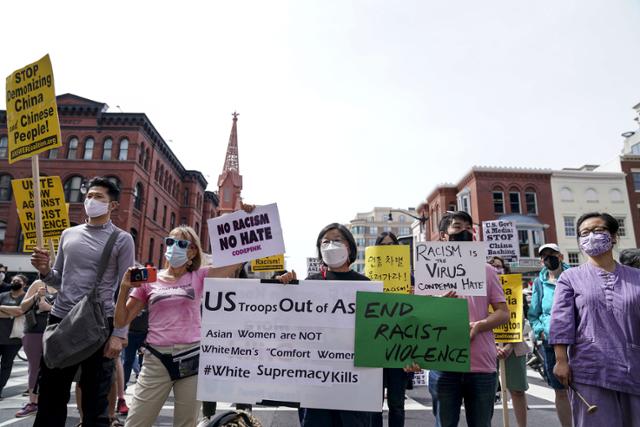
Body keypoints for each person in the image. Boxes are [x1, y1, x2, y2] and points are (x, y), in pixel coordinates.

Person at [115, 224, 249, 427]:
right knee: (135, 423)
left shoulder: (199, 276)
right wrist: (124, 288)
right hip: (155, 360)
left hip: (191, 358)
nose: (174, 246)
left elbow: (237, 259)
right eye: (170, 241)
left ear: (193, 250)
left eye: (181, 243)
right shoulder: (149, 280)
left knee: (186, 424)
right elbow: (121, 320)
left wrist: (245, 217)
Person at [30, 176, 135, 427]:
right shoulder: (68, 233)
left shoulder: (122, 239)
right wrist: (44, 271)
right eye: (89, 195)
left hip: (99, 324)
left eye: (99, 197)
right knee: (50, 397)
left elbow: (127, 289)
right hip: (61, 320)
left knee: (95, 401)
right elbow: (58, 279)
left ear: (112, 205)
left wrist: (119, 333)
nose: (91, 200)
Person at [279, 223, 375, 427]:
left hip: (354, 382)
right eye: (325, 242)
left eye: (337, 240)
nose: (331, 245)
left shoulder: (366, 285)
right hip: (315, 383)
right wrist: (283, 288)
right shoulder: (309, 283)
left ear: (349, 246)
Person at [550, 213, 640, 426]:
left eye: (598, 231)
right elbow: (561, 322)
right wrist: (561, 361)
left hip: (633, 369)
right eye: (584, 233)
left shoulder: (637, 277)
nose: (591, 236)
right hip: (589, 370)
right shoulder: (570, 278)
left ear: (614, 236)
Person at [423, 211, 510, 427]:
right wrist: (436, 304)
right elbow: (419, 317)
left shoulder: (488, 271)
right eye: (457, 227)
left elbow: (503, 312)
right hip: (443, 362)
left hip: (481, 366)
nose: (464, 232)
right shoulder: (427, 271)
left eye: (468, 228)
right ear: (444, 236)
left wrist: (479, 326)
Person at [527, 243, 572, 427]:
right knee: (560, 390)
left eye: (552, 254)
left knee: (583, 388)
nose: (548, 258)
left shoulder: (574, 277)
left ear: (560, 256)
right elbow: (533, 313)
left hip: (575, 341)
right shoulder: (539, 282)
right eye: (544, 256)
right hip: (550, 342)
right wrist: (540, 331)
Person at [371, 231, 407, 427]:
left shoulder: (407, 277)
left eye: (390, 244)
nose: (387, 248)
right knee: (374, 403)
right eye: (382, 245)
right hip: (375, 346)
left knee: (397, 403)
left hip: (399, 347)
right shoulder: (368, 278)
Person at [489, 257, 529, 427]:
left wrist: (509, 345)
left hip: (514, 345)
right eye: (492, 267)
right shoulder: (480, 289)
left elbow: (520, 319)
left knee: (517, 390)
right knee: (486, 392)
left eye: (500, 267)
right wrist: (493, 345)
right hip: (487, 347)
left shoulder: (515, 290)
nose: (497, 270)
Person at [15, 279, 57, 417]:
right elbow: (22, 307)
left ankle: (50, 402)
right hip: (34, 331)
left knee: (55, 368)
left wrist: (49, 307)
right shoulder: (38, 283)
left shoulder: (67, 282)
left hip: (58, 332)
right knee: (34, 367)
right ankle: (33, 402)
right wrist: (36, 296)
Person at [0, 274, 27, 399]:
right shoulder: (3, 296)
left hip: (14, 339)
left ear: (24, 284)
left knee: (6, 365)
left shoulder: (26, 297)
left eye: (18, 280)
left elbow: (20, 311)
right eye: (13, 280)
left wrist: (3, 309)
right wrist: (12, 313)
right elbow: (16, 312)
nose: (15, 281)